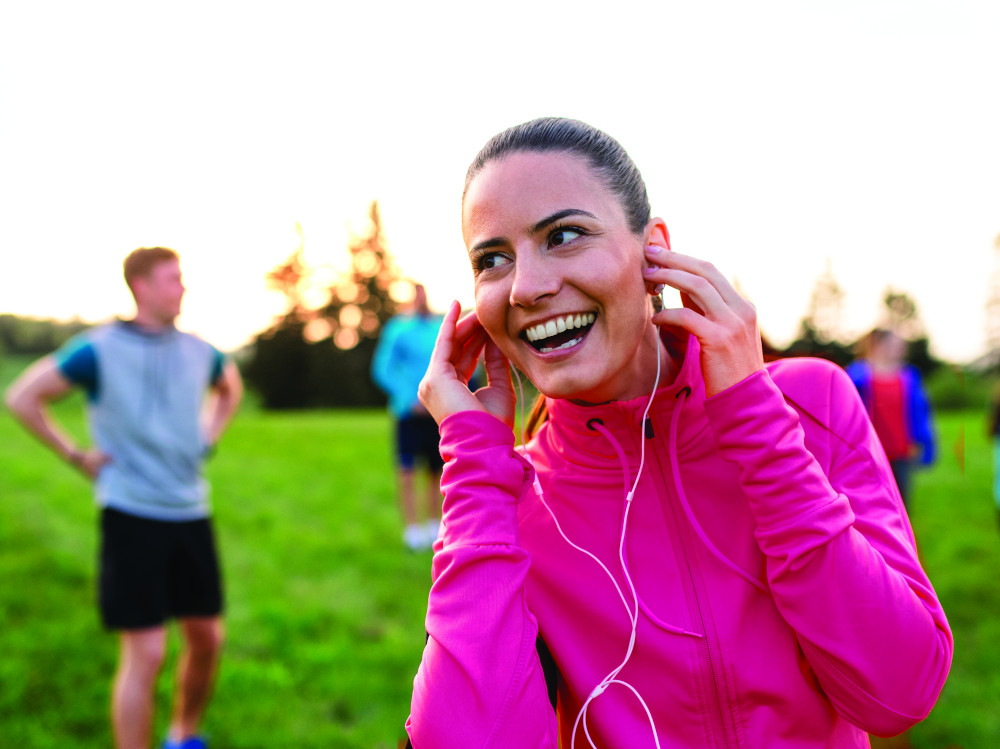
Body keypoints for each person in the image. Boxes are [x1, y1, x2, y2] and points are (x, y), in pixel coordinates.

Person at [405, 118, 952, 747]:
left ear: (653, 251)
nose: (528, 286)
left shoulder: (810, 402)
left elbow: (900, 691)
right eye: (493, 259)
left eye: (564, 235)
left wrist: (755, 424)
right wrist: (475, 467)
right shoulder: (510, 497)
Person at [4, 247, 243, 749]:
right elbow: (23, 397)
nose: (182, 287)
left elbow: (229, 386)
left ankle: (183, 734)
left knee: (207, 639)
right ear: (140, 285)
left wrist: (209, 434)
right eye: (172, 279)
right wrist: (76, 455)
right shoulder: (98, 350)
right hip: (131, 514)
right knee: (148, 653)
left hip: (191, 511)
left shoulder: (200, 351)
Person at [371, 282, 445, 550]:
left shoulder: (440, 327)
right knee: (407, 470)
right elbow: (383, 369)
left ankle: (435, 525)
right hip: (408, 413)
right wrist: (409, 399)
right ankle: (412, 529)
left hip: (436, 412)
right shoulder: (398, 329)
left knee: (436, 472)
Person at [846, 328, 936, 507]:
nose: (902, 350)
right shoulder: (856, 376)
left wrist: (924, 442)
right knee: (868, 507)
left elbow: (921, 412)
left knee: (901, 506)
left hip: (902, 453)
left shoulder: (910, 376)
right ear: (878, 346)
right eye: (896, 345)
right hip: (868, 454)